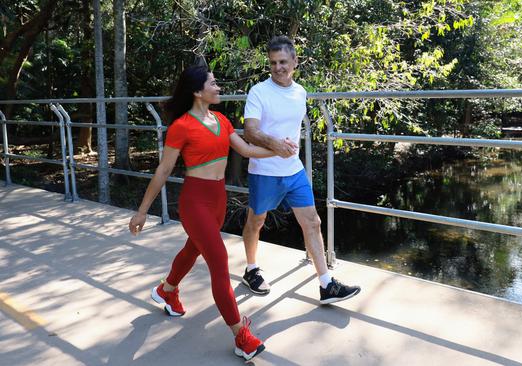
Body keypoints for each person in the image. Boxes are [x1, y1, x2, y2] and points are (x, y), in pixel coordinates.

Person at [128, 65, 277, 361]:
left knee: (193, 248)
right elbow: (164, 169)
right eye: (213, 83)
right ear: (198, 92)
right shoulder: (181, 126)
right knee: (219, 261)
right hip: (195, 202)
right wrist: (142, 212)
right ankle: (241, 336)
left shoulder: (221, 119)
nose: (218, 87)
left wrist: (279, 150)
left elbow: (246, 150)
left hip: (218, 200)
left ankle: (167, 289)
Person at [241, 36, 361, 304]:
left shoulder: (301, 92)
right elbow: (250, 131)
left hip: (293, 170)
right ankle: (251, 269)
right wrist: (275, 145)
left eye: (283, 61)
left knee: (312, 221)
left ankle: (326, 284)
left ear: (295, 62)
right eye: (273, 63)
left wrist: (286, 151)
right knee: (256, 222)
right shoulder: (258, 91)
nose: (278, 67)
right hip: (264, 171)